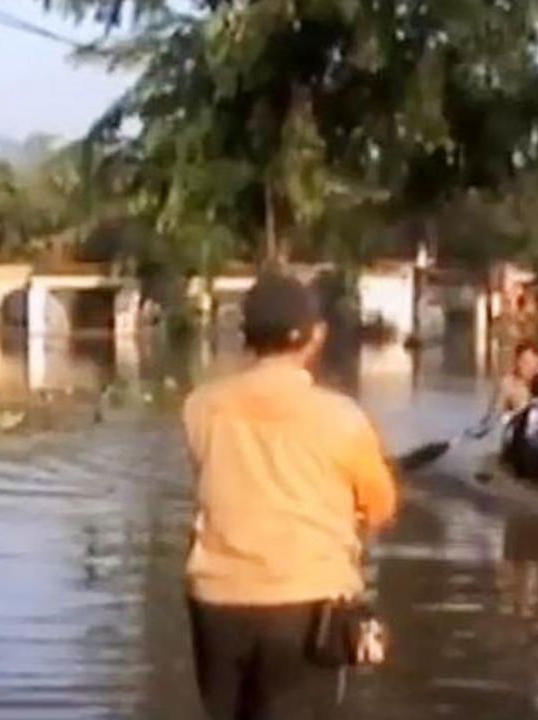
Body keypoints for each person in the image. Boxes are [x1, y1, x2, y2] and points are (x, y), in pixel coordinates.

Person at [182, 273, 399, 720]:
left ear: (246, 336)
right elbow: (379, 506)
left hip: (216, 603)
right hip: (306, 608)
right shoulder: (342, 418)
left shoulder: (200, 407)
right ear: (315, 336)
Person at [487, 341, 538, 423]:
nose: (531, 368)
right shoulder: (508, 384)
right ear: (518, 363)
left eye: (536, 364)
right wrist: (515, 414)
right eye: (526, 363)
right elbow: (494, 418)